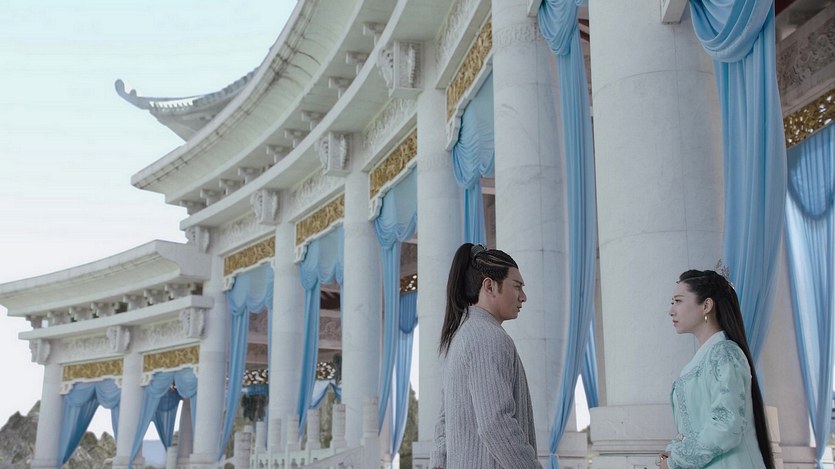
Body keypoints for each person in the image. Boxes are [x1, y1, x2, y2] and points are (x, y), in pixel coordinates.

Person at [430, 243, 541, 469]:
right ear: (490, 286)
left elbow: (444, 420)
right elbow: (496, 424)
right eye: (517, 286)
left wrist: (439, 462)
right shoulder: (488, 337)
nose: (523, 297)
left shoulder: (462, 336)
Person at [659, 269, 775, 469]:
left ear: (706, 305)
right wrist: (672, 453)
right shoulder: (704, 358)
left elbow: (727, 423)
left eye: (678, 301)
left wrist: (677, 460)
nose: (671, 310)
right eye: (672, 303)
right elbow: (692, 429)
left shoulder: (724, 353)